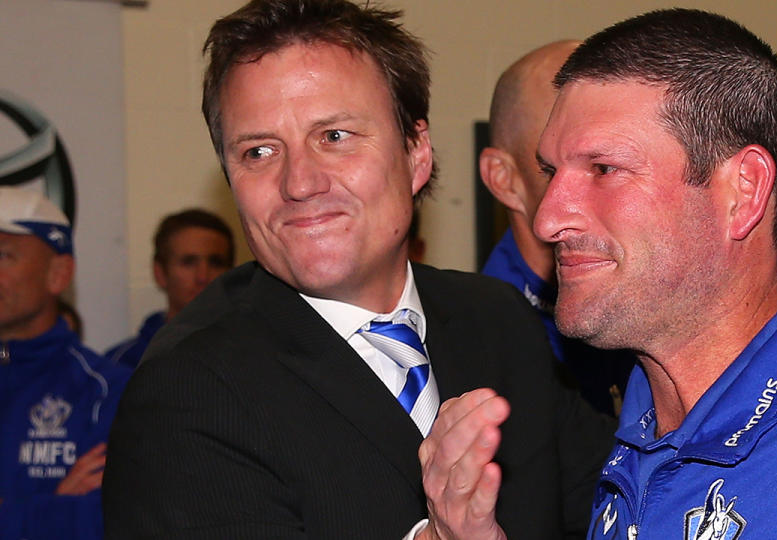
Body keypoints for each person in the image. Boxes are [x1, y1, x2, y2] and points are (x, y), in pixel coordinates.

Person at [420, 8, 777, 539]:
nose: (548, 217)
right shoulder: (632, 437)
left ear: (743, 191)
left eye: (605, 169)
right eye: (550, 172)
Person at [102, 1, 612, 539]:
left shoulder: (497, 318)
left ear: (417, 154)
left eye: (335, 136)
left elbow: (620, 508)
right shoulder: (190, 390)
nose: (299, 183)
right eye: (258, 151)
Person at [480, 41, 634, 417]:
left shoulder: (644, 300)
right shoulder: (480, 356)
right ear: (505, 180)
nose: (607, 186)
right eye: (553, 166)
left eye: (612, 164)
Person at [0, 187, 131, 540]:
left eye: (3, 255)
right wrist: (52, 507)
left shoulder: (106, 390)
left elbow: (106, 521)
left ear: (58, 274)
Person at [104, 208, 234, 368]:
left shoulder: (254, 353)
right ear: (160, 273)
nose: (203, 276)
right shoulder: (121, 365)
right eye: (189, 262)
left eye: (216, 263)